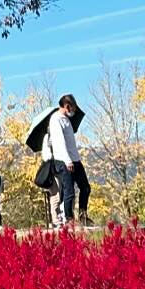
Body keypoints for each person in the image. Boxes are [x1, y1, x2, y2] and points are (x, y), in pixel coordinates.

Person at [45, 93, 93, 228]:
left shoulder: (66, 120)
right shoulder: (56, 119)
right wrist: (67, 160)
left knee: (85, 187)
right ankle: (69, 219)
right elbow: (59, 142)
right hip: (64, 160)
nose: (73, 111)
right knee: (69, 191)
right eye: (72, 108)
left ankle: (83, 215)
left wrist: (75, 158)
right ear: (67, 106)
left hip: (75, 158)